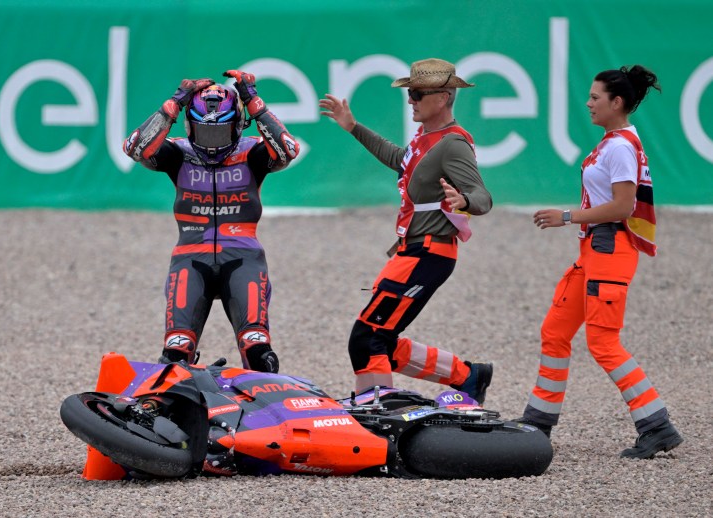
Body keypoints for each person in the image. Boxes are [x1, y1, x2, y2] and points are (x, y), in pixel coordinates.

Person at [515, 65, 683, 459]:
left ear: (617, 102)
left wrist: (567, 217)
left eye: (595, 97)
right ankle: (538, 424)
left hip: (610, 250)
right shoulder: (612, 142)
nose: (588, 103)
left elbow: (623, 206)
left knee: (603, 342)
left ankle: (657, 426)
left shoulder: (621, 146)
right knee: (555, 331)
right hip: (593, 251)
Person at [319, 58, 494, 402]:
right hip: (412, 252)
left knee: (367, 338)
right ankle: (469, 376)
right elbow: (399, 158)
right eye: (409, 93)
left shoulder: (453, 143)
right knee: (380, 338)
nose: (410, 100)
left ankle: (378, 419)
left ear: (442, 98)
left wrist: (463, 200)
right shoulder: (427, 137)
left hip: (428, 254)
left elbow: (483, 197)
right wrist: (354, 127)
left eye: (416, 93)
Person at [123, 71, 300, 371]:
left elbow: (288, 150)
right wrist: (173, 105)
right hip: (190, 261)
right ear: (191, 127)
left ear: (237, 127)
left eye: (220, 133)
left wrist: (253, 102)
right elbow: (134, 148)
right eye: (205, 133)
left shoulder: (253, 153)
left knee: (259, 352)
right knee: (175, 353)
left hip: (244, 260)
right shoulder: (178, 153)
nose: (212, 143)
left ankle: (263, 411)